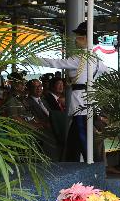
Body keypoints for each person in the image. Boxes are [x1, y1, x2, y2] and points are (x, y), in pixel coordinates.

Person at [35, 22, 109, 161]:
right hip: (91, 100)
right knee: (75, 136)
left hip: (80, 101)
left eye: (79, 36)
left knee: (81, 134)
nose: (76, 39)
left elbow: (55, 63)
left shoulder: (80, 59)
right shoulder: (98, 61)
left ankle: (90, 165)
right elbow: (107, 74)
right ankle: (71, 163)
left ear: (87, 38)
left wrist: (32, 60)